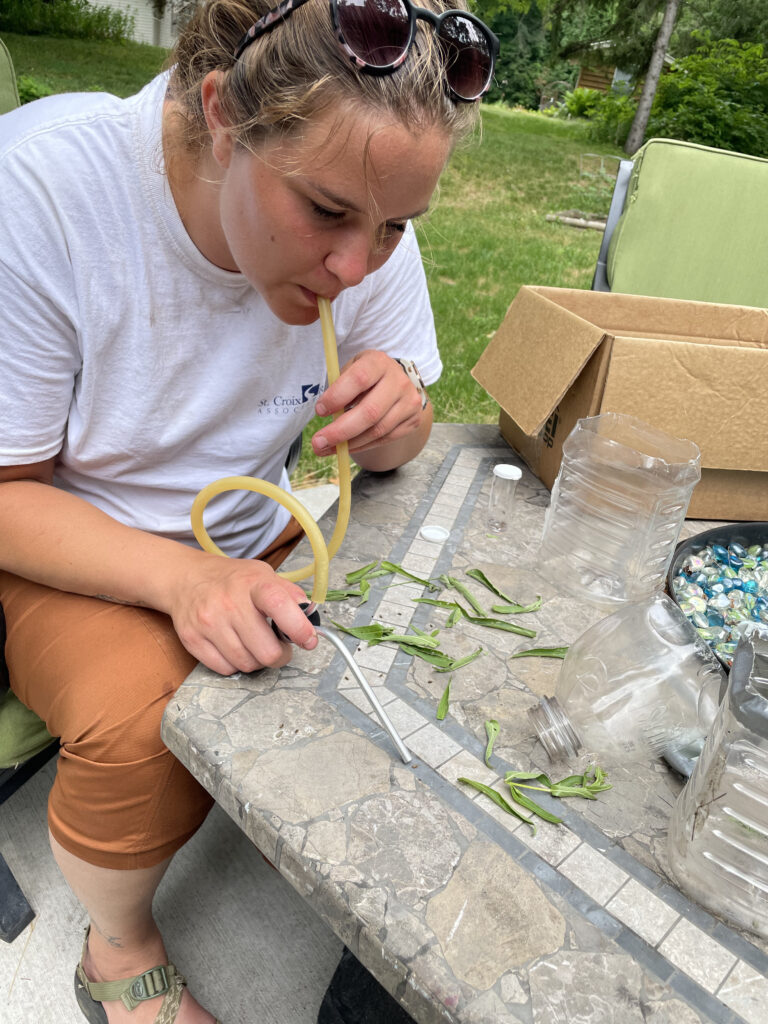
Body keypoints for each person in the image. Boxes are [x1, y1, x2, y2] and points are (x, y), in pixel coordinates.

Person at [0, 0, 497, 1020]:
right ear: (222, 114)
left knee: (441, 631)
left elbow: (400, 433)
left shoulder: (360, 199)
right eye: (325, 213)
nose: (359, 266)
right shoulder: (46, 190)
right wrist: (185, 579)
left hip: (256, 519)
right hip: (61, 532)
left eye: (397, 224)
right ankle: (118, 946)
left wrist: (396, 411)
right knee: (152, 725)